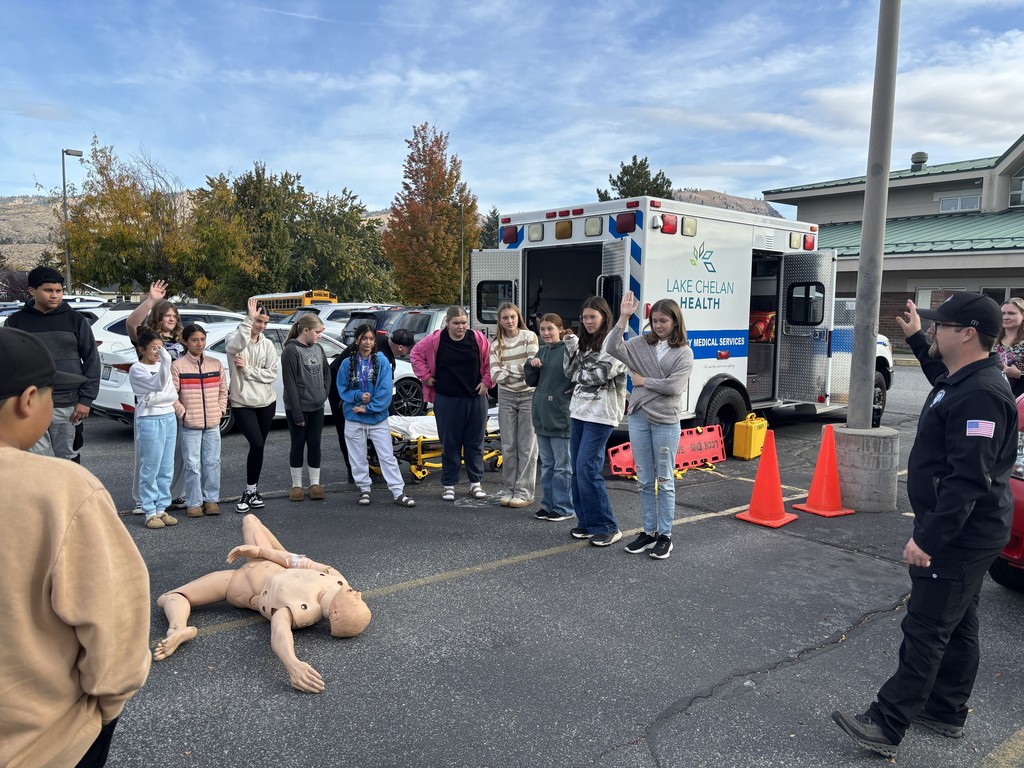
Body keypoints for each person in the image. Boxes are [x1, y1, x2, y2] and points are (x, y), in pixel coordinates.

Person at [831, 292, 1018, 759]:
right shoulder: (964, 380)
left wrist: (928, 538)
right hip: (969, 531)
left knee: (927, 627)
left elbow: (967, 480)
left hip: (960, 535)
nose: (934, 329)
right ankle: (947, 709)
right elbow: (940, 381)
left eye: (940, 325)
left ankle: (887, 723)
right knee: (958, 623)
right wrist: (915, 336)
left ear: (967, 333)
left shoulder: (981, 393)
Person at [0, 326, 150, 768]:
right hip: (44, 743)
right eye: (52, 394)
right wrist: (103, 712)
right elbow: (115, 621)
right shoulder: (61, 489)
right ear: (28, 400)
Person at [152, 514, 371, 694]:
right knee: (250, 519)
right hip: (266, 561)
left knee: (170, 597)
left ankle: (178, 629)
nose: (358, 594)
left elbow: (279, 631)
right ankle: (177, 629)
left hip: (238, 584)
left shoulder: (304, 611)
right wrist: (260, 552)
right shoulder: (338, 580)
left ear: (336, 615)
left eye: (356, 603)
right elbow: (301, 561)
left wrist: (292, 664)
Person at [607, 292, 693, 560]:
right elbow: (612, 347)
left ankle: (665, 536)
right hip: (638, 417)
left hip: (666, 421)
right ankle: (648, 531)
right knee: (644, 479)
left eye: (664, 321)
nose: (658, 325)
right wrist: (623, 318)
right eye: (654, 320)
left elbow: (675, 387)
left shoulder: (683, 352)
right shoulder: (640, 343)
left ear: (675, 322)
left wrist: (643, 382)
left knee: (665, 481)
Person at [5, 266, 100, 461]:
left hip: (68, 405)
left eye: (59, 291)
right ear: (32, 291)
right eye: (48, 290)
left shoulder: (76, 320)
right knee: (37, 461)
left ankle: (71, 493)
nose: (55, 295)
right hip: (30, 405)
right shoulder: (15, 322)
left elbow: (92, 360)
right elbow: (8, 367)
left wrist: (86, 400)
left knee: (68, 459)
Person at [410, 306, 492, 501]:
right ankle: (449, 484)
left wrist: (486, 382)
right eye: (456, 323)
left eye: (464, 323)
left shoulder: (478, 339)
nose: (460, 327)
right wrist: (426, 377)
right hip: (447, 399)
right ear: (447, 323)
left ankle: (475, 483)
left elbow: (491, 362)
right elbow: (415, 355)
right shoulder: (435, 340)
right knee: (450, 443)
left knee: (475, 443)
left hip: (475, 399)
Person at [564, 297, 627, 546]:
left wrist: (580, 374)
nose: (588, 322)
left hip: (602, 415)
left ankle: (607, 526)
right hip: (579, 411)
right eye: (585, 317)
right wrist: (570, 346)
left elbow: (600, 375)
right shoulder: (584, 344)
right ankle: (587, 523)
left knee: (587, 469)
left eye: (593, 317)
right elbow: (568, 372)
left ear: (604, 316)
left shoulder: (614, 344)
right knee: (577, 471)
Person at [126, 280, 187, 514]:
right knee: (148, 457)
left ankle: (173, 495)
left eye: (174, 315)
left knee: (176, 454)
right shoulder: (146, 338)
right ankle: (143, 499)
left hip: (177, 403)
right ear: (158, 316)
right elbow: (131, 323)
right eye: (167, 315)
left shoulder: (180, 341)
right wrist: (151, 300)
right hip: (151, 405)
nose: (171, 319)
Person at [337, 324, 416, 507]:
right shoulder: (347, 363)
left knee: (386, 456)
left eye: (371, 339)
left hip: (377, 418)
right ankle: (364, 489)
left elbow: (385, 392)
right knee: (357, 456)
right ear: (357, 340)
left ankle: (398, 492)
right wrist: (357, 397)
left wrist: (368, 407)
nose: (368, 342)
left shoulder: (382, 362)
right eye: (364, 338)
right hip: (353, 418)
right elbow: (342, 388)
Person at [225, 298, 279, 512]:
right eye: (258, 321)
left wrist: (248, 370)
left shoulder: (267, 344)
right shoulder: (235, 338)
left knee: (259, 448)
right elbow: (236, 345)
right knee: (256, 444)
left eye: (264, 322)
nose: (262, 326)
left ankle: (252, 490)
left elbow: (271, 374)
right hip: (242, 402)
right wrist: (248, 320)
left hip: (266, 402)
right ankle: (249, 492)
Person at [524, 313, 577, 522]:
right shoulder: (542, 351)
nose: (546, 333)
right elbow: (532, 381)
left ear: (560, 329)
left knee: (562, 466)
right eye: (543, 329)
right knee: (546, 464)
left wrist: (572, 392)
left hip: (561, 416)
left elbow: (579, 374)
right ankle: (548, 504)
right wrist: (530, 365)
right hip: (542, 416)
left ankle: (564, 507)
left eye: (550, 329)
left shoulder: (568, 350)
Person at [172, 323, 228, 518]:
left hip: (213, 422)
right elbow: (173, 394)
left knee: (213, 462)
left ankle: (211, 499)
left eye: (202, 339)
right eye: (194, 340)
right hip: (190, 424)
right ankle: (194, 502)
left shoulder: (215, 364)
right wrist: (182, 413)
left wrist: (221, 409)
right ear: (186, 342)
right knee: (192, 464)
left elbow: (223, 390)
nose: (199, 343)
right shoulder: (178, 366)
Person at [129, 330, 184, 529]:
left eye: (160, 348)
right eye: (154, 348)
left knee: (166, 466)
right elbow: (158, 383)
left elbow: (170, 394)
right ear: (141, 349)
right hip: (149, 419)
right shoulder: (137, 369)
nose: (158, 352)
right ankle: (149, 511)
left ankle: (162, 508)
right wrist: (166, 365)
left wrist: (156, 397)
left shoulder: (163, 366)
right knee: (150, 466)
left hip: (168, 417)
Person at [489, 302, 539, 508]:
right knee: (508, 446)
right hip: (507, 397)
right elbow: (495, 375)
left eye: (512, 317)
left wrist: (507, 370)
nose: (509, 321)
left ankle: (525, 492)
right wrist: (517, 371)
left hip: (528, 395)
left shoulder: (530, 337)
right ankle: (509, 489)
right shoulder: (495, 344)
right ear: (499, 321)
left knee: (527, 447)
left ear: (518, 317)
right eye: (505, 318)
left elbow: (532, 369)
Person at [281, 313, 331, 501]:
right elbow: (290, 383)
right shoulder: (291, 351)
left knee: (315, 443)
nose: (319, 335)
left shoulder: (318, 348)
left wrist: (323, 393)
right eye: (317, 332)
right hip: (299, 407)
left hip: (316, 406)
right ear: (306, 330)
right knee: (298, 444)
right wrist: (297, 413)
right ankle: (296, 485)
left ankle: (315, 483)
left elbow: (327, 372)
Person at [994, 296, 1024, 398]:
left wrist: (1019, 375)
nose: (1005, 317)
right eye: (1002, 313)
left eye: (1011, 313)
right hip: (993, 396)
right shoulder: (991, 340)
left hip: (1018, 400)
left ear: (1023, 315)